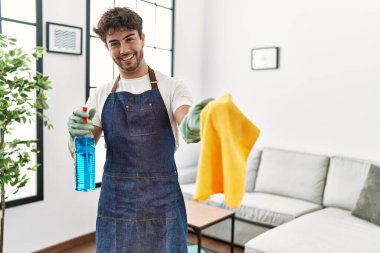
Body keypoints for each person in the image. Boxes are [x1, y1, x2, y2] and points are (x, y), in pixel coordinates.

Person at [67, 7, 211, 253]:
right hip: (116, 203)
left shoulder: (172, 87)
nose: (123, 50)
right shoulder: (100, 95)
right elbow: (81, 148)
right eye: (114, 43)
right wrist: (74, 136)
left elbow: (186, 123)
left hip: (162, 202)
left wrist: (196, 124)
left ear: (142, 38)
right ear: (107, 47)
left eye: (129, 39)